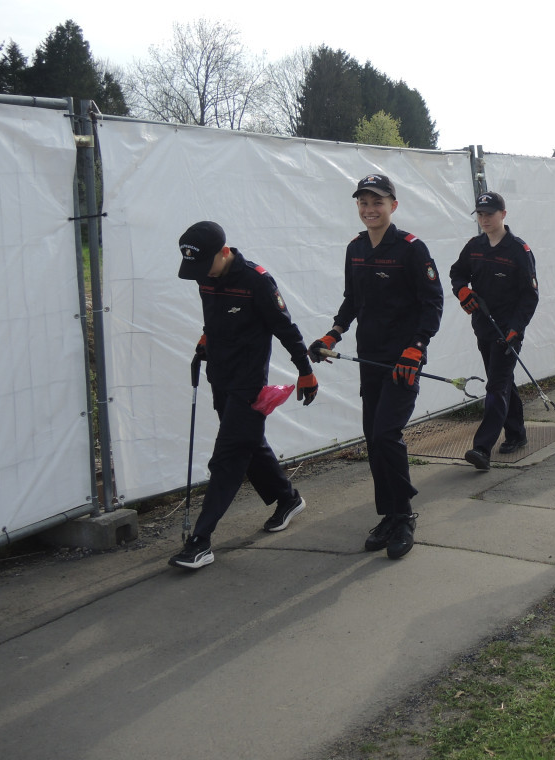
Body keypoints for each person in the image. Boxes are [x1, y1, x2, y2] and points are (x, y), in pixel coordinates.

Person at [308, 174, 444, 560]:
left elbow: (433, 302)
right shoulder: (355, 248)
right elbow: (353, 300)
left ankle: (404, 516)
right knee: (373, 437)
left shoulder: (412, 249)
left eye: (377, 202)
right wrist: (333, 334)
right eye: (363, 202)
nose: (370, 209)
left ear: (393, 206)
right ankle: (388, 515)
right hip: (369, 358)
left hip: (404, 360)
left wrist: (417, 347)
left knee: (386, 434)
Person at [170, 221, 319, 570]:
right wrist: (206, 337)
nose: (201, 275)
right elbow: (214, 316)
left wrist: (306, 371)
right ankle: (287, 499)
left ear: (224, 252)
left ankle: (200, 541)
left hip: (249, 383)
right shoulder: (205, 275)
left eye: (205, 265)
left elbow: (285, 328)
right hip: (219, 376)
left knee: (228, 456)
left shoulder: (256, 281)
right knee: (248, 443)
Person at [449, 191, 539, 470]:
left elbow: (530, 296)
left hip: (507, 332)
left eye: (490, 214)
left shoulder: (519, 250)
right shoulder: (474, 246)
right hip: (483, 327)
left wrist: (516, 328)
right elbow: (457, 273)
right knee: (502, 380)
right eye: (480, 214)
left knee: (496, 386)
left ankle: (482, 448)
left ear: (503, 214)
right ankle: (516, 433)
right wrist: (462, 291)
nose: (484, 219)